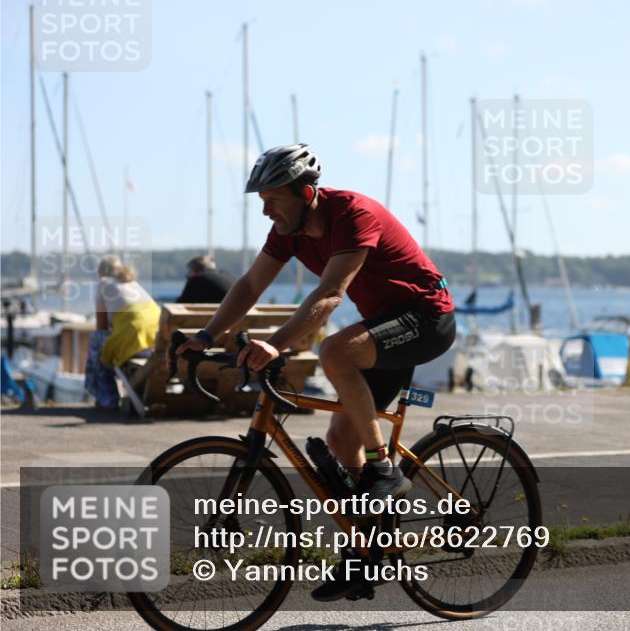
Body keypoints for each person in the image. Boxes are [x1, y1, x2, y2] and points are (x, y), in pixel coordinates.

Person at [173, 144, 455, 597]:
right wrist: (206, 337)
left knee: (336, 352)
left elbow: (329, 294)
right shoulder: (289, 230)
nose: (265, 212)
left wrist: (276, 343)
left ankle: (384, 468)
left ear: (306, 194)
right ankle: (363, 556)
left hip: (426, 319)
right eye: (261, 201)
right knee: (341, 439)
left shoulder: (353, 214)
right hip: (382, 327)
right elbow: (249, 285)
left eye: (272, 200)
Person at [85, 255, 161, 409]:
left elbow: (102, 326)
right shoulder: (132, 283)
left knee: (98, 343)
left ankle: (108, 397)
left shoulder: (103, 283)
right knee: (105, 343)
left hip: (136, 337)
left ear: (101, 272)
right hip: (156, 337)